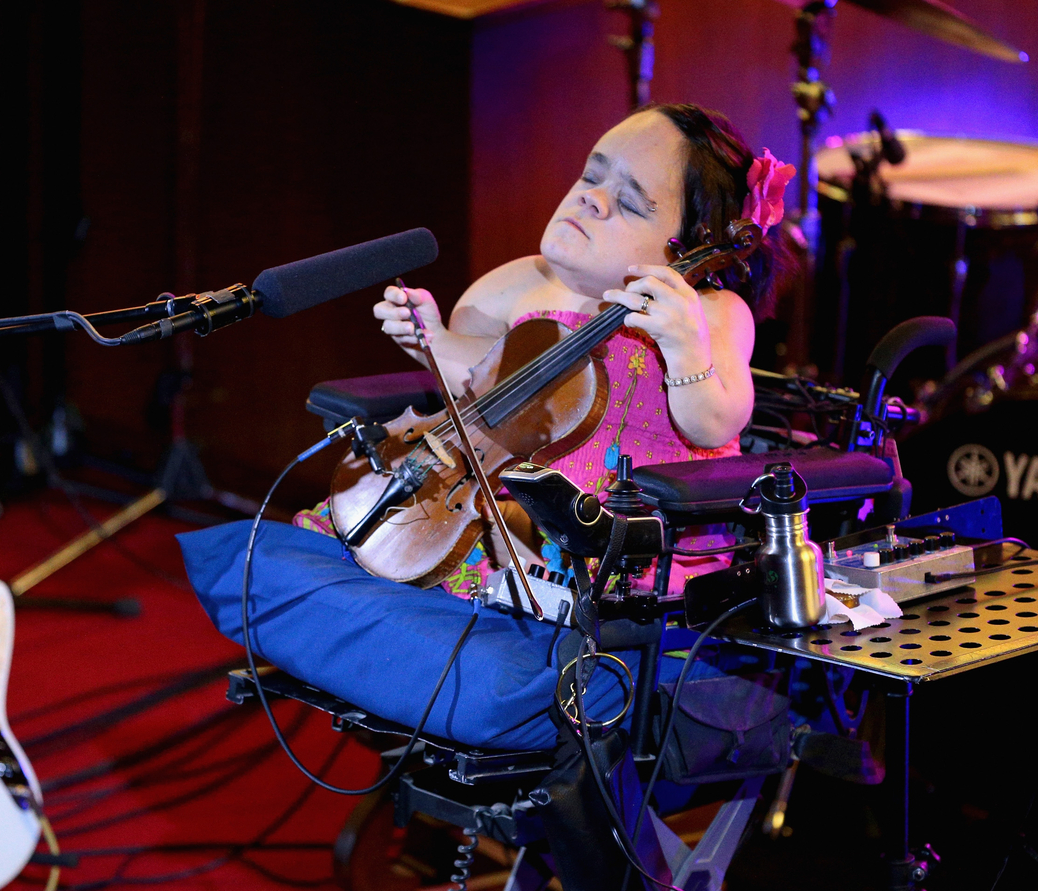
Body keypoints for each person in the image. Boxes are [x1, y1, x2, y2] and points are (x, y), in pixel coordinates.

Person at [296, 103, 795, 595]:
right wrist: (432, 341)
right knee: (334, 555)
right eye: (590, 177)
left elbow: (715, 424)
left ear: (688, 250)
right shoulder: (523, 282)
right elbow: (484, 396)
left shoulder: (708, 311)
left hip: (620, 548)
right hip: (503, 516)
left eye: (629, 203)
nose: (592, 200)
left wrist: (686, 347)